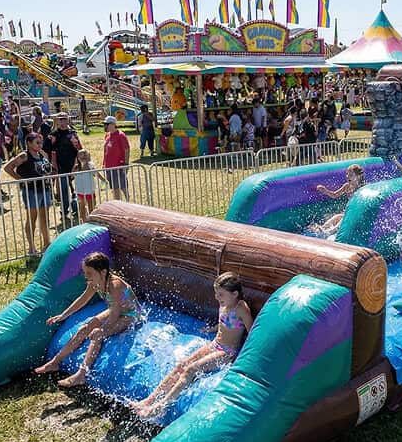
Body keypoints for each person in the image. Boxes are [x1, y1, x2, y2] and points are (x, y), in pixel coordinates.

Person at [131, 272, 252, 417]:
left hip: (227, 352)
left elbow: (252, 332)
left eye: (220, 294)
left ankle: (160, 407)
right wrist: (211, 329)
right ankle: (148, 401)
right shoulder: (225, 303)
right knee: (181, 365)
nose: (216, 297)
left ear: (234, 294)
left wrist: (245, 356)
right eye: (216, 294)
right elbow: (224, 322)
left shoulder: (241, 308)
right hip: (215, 344)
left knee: (190, 369)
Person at [35, 251, 143, 387]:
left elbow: (115, 313)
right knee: (85, 327)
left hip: (131, 315)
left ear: (103, 272)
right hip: (115, 309)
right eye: (85, 273)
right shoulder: (94, 282)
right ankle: (55, 362)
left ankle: (81, 375)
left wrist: (103, 329)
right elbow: (83, 299)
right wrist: (63, 315)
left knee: (97, 335)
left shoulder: (115, 285)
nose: (86, 276)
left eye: (89, 273)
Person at [4, 132, 53, 257]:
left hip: (44, 188)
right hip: (32, 191)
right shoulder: (24, 156)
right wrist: (20, 179)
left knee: (45, 217)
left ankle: (47, 243)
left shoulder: (42, 154)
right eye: (37, 142)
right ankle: (32, 247)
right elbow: (8, 167)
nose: (40, 145)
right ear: (29, 143)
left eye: (41, 142)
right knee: (32, 218)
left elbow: (47, 169)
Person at [314, 164, 365, 236]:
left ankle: (330, 232)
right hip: (349, 213)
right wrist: (325, 190)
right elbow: (334, 195)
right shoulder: (347, 186)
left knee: (343, 219)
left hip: (357, 214)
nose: (347, 176)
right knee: (337, 217)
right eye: (347, 174)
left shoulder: (362, 188)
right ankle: (321, 228)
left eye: (351, 175)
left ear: (358, 176)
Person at [49, 113, 82, 226]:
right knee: (63, 190)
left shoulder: (73, 134)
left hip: (73, 165)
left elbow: (79, 149)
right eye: (60, 119)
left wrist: (78, 164)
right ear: (57, 121)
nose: (63, 122)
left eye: (65, 119)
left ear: (68, 120)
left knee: (75, 189)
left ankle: (76, 208)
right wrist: (54, 166)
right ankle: (64, 210)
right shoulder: (54, 134)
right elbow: (51, 151)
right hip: (61, 167)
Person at [102, 116, 129, 201]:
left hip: (118, 165)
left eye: (107, 124)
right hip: (109, 166)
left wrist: (126, 163)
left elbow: (126, 149)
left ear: (113, 124)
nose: (105, 126)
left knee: (122, 186)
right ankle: (118, 204)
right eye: (105, 124)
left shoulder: (121, 135)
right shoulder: (107, 135)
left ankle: (127, 202)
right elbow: (106, 150)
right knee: (114, 187)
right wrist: (104, 163)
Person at [73, 149, 97, 222]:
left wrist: (104, 180)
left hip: (89, 190)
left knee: (91, 207)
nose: (82, 156)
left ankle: (92, 221)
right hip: (80, 190)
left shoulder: (90, 165)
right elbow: (71, 176)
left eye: (84, 154)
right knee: (82, 207)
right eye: (80, 154)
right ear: (78, 157)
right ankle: (83, 221)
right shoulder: (76, 167)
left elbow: (95, 174)